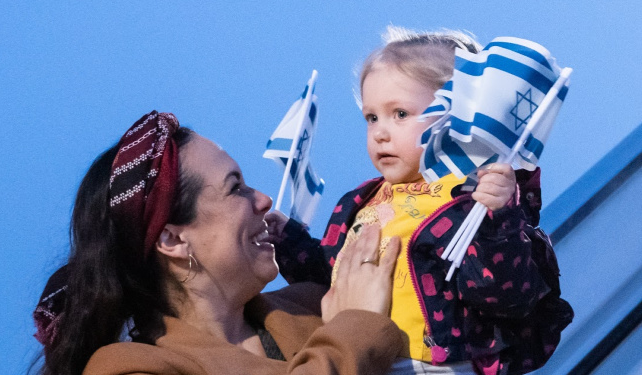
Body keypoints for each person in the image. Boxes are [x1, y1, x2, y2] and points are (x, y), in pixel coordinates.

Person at [267, 26, 573, 375]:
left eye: (400, 114)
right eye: (371, 117)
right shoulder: (359, 203)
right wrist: (288, 241)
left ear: (456, 116)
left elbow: (506, 296)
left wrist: (499, 222)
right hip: (369, 356)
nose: (381, 132)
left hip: (438, 365)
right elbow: (331, 277)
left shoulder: (471, 195)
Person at [32, 110, 406, 375]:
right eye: (235, 188)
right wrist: (355, 333)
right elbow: (356, 332)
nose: (263, 200)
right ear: (173, 238)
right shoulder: (128, 367)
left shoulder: (319, 303)